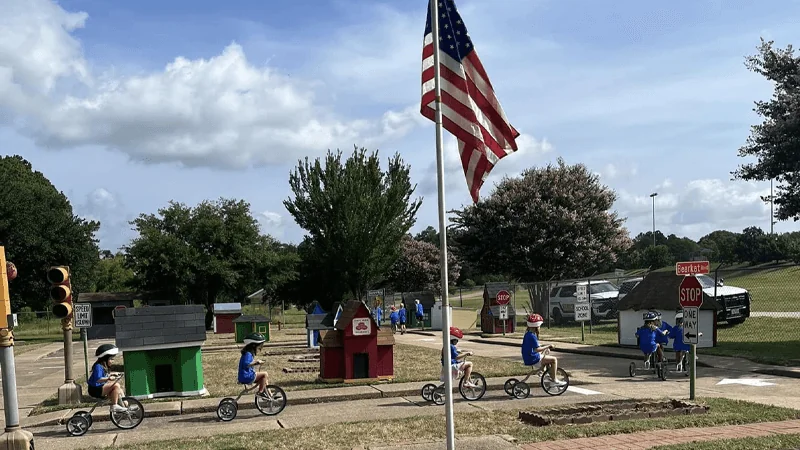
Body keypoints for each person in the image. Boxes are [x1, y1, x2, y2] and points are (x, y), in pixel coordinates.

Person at [521, 313, 567, 387]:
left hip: (529, 357)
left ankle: (545, 372)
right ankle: (554, 380)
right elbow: (537, 349)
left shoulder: (528, 334)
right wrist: (548, 346)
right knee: (554, 359)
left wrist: (545, 346)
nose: (540, 328)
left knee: (547, 358)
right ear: (536, 326)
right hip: (533, 358)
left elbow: (535, 346)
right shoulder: (532, 336)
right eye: (539, 326)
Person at [87, 344, 130, 412]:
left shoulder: (103, 366)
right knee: (116, 385)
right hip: (95, 390)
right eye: (111, 359)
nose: (112, 361)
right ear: (105, 359)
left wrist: (113, 374)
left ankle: (127, 407)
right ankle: (114, 406)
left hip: (100, 388)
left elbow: (105, 374)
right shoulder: (98, 366)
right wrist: (108, 378)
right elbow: (98, 379)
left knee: (119, 389)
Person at [239, 333, 271, 398]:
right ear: (254, 345)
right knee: (265, 374)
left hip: (245, 375)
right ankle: (260, 393)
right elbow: (246, 364)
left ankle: (270, 395)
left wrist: (257, 362)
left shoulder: (248, 353)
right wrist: (257, 362)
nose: (261, 347)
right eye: (260, 345)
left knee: (264, 379)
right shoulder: (248, 354)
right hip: (246, 376)